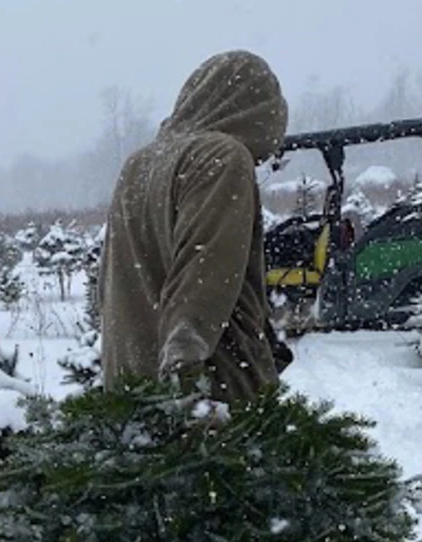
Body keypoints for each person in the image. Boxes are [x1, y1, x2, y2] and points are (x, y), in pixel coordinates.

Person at [100, 50, 292, 402]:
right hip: (212, 396)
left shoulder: (140, 163)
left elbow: (112, 282)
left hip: (131, 389)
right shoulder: (222, 157)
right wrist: (183, 376)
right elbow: (204, 274)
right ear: (249, 109)